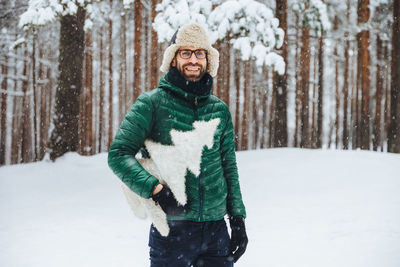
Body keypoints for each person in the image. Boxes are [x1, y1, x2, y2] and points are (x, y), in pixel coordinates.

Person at [108, 22, 247, 267]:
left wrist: (237, 218)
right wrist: (155, 190)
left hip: (216, 232)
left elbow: (229, 167)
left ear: (208, 59)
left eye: (199, 53)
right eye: (186, 52)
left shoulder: (219, 109)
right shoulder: (151, 104)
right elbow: (118, 155)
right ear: (173, 59)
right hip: (170, 230)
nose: (193, 59)